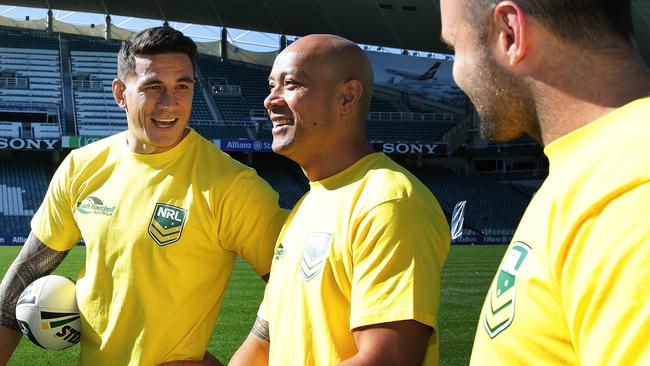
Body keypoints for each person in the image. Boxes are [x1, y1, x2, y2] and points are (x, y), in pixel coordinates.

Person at [0, 26, 287, 366]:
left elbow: (295, 285)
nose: (170, 102)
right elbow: (26, 273)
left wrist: (243, 360)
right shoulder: (82, 166)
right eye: (153, 87)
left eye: (183, 86)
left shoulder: (232, 184)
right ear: (120, 93)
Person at [439, 0, 650, 364]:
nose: (456, 75)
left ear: (509, 34)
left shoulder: (628, 190)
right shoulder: (593, 171)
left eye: (455, 47)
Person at [229, 34, 451, 366]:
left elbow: (388, 359)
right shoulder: (306, 207)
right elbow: (262, 343)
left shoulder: (388, 203)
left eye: (291, 84)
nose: (270, 100)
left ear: (347, 97)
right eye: (271, 86)